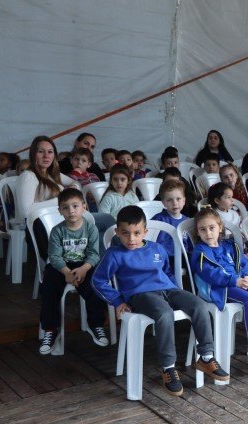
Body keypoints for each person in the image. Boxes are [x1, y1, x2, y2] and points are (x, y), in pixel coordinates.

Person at [92, 205, 229, 396]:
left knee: (199, 305)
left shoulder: (157, 249)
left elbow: (167, 272)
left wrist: (176, 292)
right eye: (125, 233)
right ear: (117, 232)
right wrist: (118, 301)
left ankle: (206, 357)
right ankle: (168, 368)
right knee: (164, 313)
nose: (131, 239)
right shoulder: (114, 254)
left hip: (169, 290)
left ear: (145, 232)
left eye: (137, 233)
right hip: (141, 295)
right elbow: (98, 280)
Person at [190, 208, 248, 367]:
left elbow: (244, 264)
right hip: (219, 288)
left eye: (212, 228)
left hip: (240, 282)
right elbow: (210, 275)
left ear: (220, 227)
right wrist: (235, 281)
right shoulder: (201, 251)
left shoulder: (229, 246)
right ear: (198, 232)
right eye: (202, 229)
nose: (208, 232)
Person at [39, 188, 108, 354]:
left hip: (84, 265)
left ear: (84, 207)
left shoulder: (91, 228)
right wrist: (67, 273)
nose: (71, 211)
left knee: (96, 283)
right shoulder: (57, 231)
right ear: (60, 211)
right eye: (65, 207)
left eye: (75, 206)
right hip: (62, 267)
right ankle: (50, 330)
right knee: (48, 287)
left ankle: (96, 324)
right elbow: (54, 257)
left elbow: (94, 254)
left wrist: (84, 269)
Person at [17, 136, 76, 222]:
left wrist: (73, 189)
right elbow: (25, 212)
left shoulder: (51, 174)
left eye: (50, 152)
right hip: (39, 226)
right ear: (33, 154)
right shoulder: (28, 176)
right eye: (41, 152)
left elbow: (75, 183)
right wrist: (61, 199)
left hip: (56, 220)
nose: (46, 156)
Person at [151, 180, 192, 276]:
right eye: (170, 200)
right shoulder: (158, 220)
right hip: (165, 256)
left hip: (183, 256)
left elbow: (190, 245)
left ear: (184, 200)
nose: (175, 203)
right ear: (163, 202)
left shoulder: (187, 221)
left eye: (178, 199)